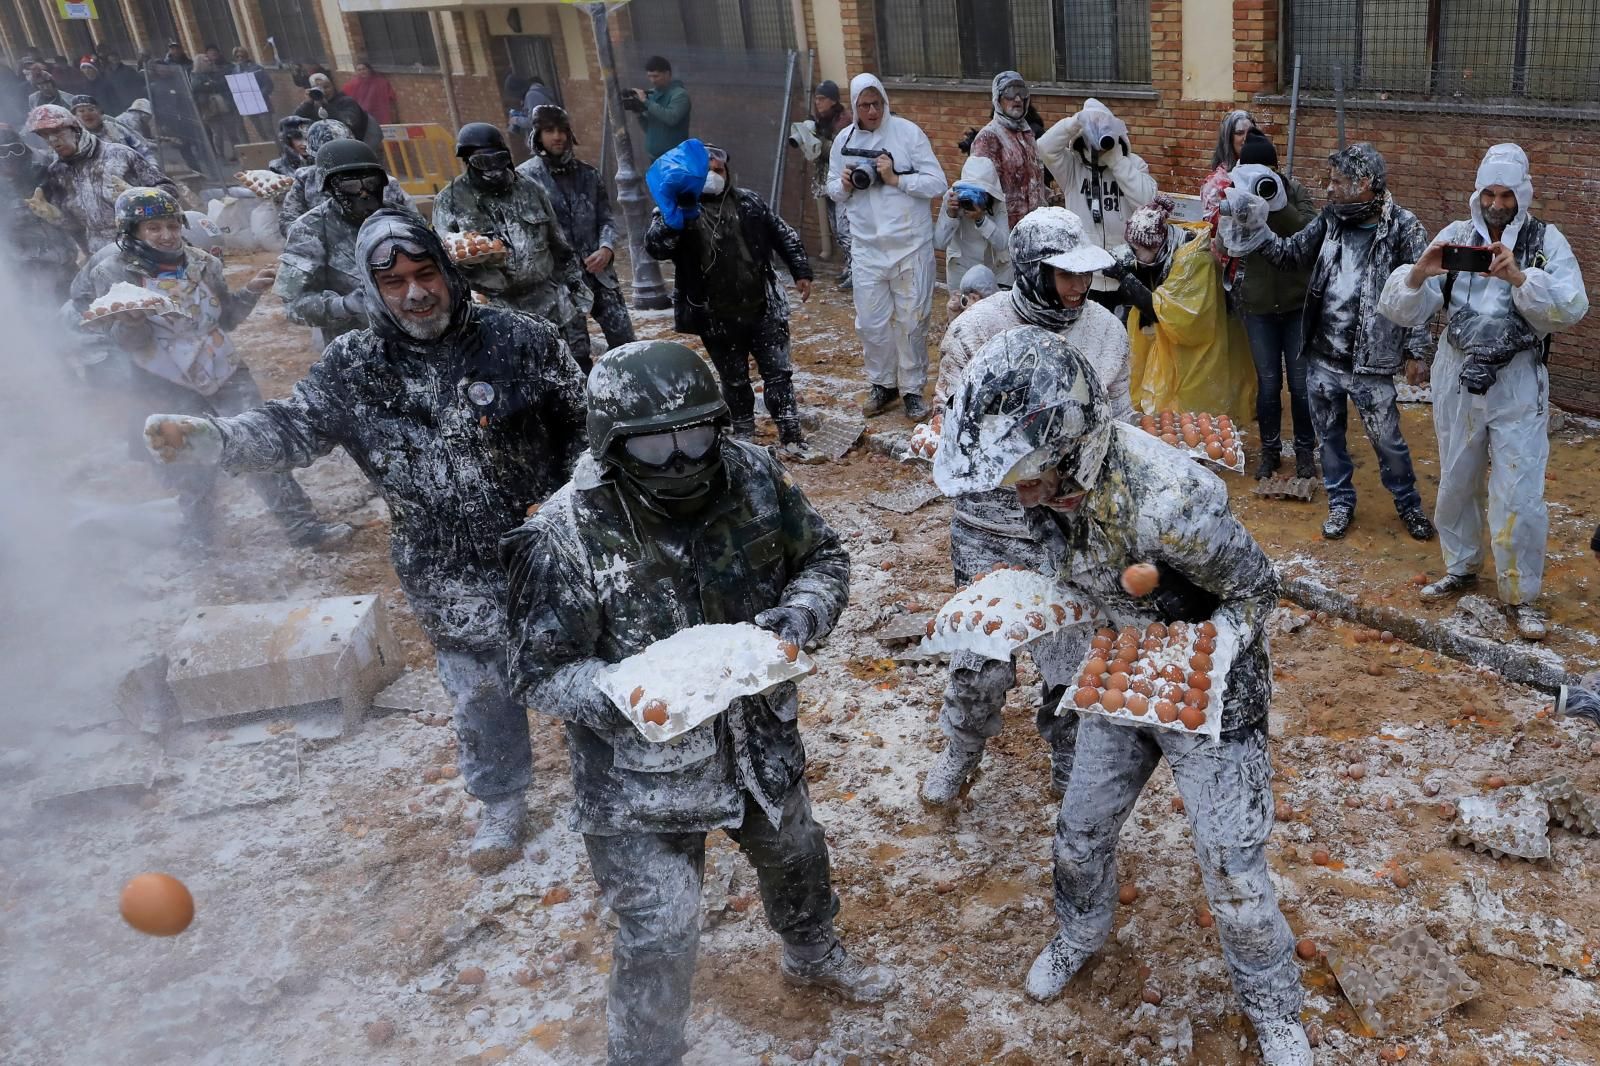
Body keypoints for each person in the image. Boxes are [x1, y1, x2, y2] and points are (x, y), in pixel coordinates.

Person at [147, 210, 585, 872]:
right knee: (479, 689)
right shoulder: (355, 366)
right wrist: (214, 438)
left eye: (425, 273)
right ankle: (502, 800)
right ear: (372, 289)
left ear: (447, 268)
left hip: (547, 553)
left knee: (580, 673)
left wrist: (572, 507)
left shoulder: (522, 340)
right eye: (395, 282)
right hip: (443, 569)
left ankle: (602, 787)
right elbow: (293, 428)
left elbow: (587, 429)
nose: (415, 293)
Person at [502, 340, 898, 1066]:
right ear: (613, 444)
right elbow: (535, 670)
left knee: (797, 853)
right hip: (637, 781)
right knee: (662, 926)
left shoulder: (752, 475)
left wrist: (802, 615)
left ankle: (812, 951)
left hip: (756, 744)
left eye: (695, 434)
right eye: (655, 444)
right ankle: (646, 1053)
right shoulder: (567, 530)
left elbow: (822, 557)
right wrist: (628, 692)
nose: (682, 459)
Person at [932, 328, 1312, 1066]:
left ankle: (1274, 1006)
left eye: (1025, 473)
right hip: (1119, 667)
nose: (1016, 490)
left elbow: (1257, 589)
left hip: (1213, 691)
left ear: (1066, 444)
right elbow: (1068, 567)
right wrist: (1042, 606)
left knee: (1232, 868)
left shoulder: (1170, 501)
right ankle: (1078, 933)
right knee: (1078, 835)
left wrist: (1203, 651)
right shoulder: (1044, 490)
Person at [922, 208, 1132, 806]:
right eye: (1063, 275)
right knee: (982, 659)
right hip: (991, 525)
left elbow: (1120, 415)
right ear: (1031, 270)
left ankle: (1069, 764)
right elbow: (950, 423)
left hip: (1069, 525)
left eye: (1084, 275)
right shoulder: (977, 330)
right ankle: (960, 751)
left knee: (1072, 656)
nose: (1077, 287)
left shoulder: (1106, 333)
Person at [1379, 143, 1588, 640]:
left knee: (1518, 492)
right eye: (1489, 193)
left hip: (1517, 379)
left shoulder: (1545, 241)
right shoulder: (1455, 235)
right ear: (1478, 193)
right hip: (1457, 375)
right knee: (1456, 476)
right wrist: (1419, 272)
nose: (1497, 205)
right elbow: (1405, 309)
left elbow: (1572, 306)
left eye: (1507, 195)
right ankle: (1462, 566)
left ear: (1522, 194)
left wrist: (1519, 277)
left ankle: (1522, 595)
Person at [69, 186, 349, 551]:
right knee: (186, 459)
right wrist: (134, 319)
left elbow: (225, 317)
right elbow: (125, 341)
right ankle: (199, 538)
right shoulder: (113, 272)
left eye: (172, 225)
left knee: (258, 444)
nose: (167, 235)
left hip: (223, 369)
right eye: (154, 228)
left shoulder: (203, 262)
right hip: (162, 378)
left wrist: (250, 291)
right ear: (132, 232)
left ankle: (303, 528)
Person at [1220, 142, 1436, 542]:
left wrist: (1418, 351)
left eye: (1337, 181)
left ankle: (1408, 506)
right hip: (1324, 355)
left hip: (1373, 363)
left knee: (1387, 441)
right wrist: (1256, 227)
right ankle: (1340, 503)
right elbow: (1290, 255)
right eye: (1329, 181)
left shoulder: (1403, 227)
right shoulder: (1330, 220)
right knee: (1330, 440)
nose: (1329, 189)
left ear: (1365, 182)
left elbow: (1420, 292)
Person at [644, 143, 819, 463]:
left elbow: (783, 234)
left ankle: (792, 436)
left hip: (763, 306)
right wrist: (673, 220)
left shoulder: (749, 202)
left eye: (719, 170)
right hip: (716, 315)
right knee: (735, 380)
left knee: (779, 376)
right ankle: (744, 437)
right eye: (706, 171)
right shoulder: (677, 210)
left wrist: (801, 270)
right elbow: (656, 247)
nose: (713, 176)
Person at [827, 73, 946, 420]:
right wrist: (846, 184)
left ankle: (911, 389)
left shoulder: (908, 134)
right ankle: (883, 385)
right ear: (854, 107)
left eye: (877, 103)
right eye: (865, 105)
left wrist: (897, 178)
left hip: (911, 245)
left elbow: (937, 182)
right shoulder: (843, 141)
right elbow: (832, 187)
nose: (873, 110)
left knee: (911, 322)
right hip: (867, 247)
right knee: (872, 323)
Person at [432, 122, 592, 367]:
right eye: (483, 162)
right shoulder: (449, 200)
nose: (494, 170)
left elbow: (559, 246)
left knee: (570, 371)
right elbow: (445, 262)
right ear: (467, 161)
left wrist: (574, 288)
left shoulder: (530, 190)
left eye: (499, 160)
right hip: (495, 313)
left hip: (548, 305)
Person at [1215, 129, 1319, 480]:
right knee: (1269, 383)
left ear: (1277, 169)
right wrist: (1244, 211)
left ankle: (1305, 452)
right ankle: (1270, 452)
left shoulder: (1294, 192)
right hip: (1258, 306)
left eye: (1267, 171)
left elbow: (1309, 230)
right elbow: (1225, 247)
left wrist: (1277, 205)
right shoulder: (1237, 196)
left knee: (1302, 386)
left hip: (1296, 304)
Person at [1106, 195, 1256, 421]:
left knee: (1195, 415)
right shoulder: (1164, 251)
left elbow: (1173, 316)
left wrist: (1124, 278)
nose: (1133, 256)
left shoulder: (1194, 261)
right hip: (1174, 348)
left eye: (1137, 251)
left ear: (1157, 246)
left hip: (1200, 350)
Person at [518, 104, 636, 351]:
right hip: (558, 281)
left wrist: (606, 248)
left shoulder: (588, 175)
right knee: (576, 352)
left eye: (562, 129)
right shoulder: (524, 181)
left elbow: (606, 218)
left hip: (599, 274)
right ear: (537, 135)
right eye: (549, 130)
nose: (557, 136)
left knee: (625, 345)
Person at [276, 139, 409, 347]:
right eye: (351, 185)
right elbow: (292, 305)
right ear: (331, 188)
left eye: (371, 182)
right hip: (357, 348)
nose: (364, 192)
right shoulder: (309, 230)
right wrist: (344, 305)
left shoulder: (403, 218)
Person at [1037, 98, 1157, 309]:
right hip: (1084, 277)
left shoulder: (1133, 164)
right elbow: (1044, 147)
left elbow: (1147, 202)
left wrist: (1116, 161)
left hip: (1125, 275)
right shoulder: (1072, 167)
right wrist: (1077, 122)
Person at [28, 104, 174, 253]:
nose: (52, 139)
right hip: (102, 253)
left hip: (144, 244)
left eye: (57, 131)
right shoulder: (57, 172)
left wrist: (140, 197)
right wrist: (56, 216)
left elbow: (169, 191)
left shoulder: (119, 154)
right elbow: (77, 224)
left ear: (75, 128)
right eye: (44, 135)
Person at [278, 119, 410, 236]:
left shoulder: (383, 182)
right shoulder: (305, 180)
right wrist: (319, 235)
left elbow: (409, 222)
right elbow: (288, 222)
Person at [0, 124, 77, 305]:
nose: (10, 158)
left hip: (65, 258)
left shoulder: (45, 170)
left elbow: (74, 213)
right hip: (27, 267)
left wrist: (57, 214)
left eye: (15, 150)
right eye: (2, 152)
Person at [970, 71, 1049, 229]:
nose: (1018, 99)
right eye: (1010, 93)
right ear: (997, 99)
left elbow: (1031, 181)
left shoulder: (1027, 133)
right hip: (1007, 232)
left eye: (1022, 93)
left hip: (1036, 227)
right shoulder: (988, 137)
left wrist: (1048, 196)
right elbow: (982, 192)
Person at [934, 154, 1012, 291]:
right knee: (960, 308)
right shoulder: (952, 197)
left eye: (979, 193)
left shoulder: (997, 203)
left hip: (992, 266)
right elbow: (939, 243)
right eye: (969, 191)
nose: (972, 198)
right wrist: (951, 215)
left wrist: (981, 219)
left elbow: (1002, 244)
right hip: (960, 265)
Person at [809, 80, 853, 285]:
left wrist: (816, 143)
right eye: (816, 98)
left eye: (822, 98)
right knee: (836, 228)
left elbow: (840, 151)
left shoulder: (844, 121)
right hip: (825, 182)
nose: (818, 103)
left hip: (842, 182)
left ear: (833, 100)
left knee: (846, 230)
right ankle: (849, 266)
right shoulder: (820, 120)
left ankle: (856, 271)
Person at [625, 56, 691, 162]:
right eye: (649, 76)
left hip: (674, 158)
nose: (652, 80)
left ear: (667, 74)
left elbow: (671, 118)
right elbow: (650, 129)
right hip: (655, 158)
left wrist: (646, 101)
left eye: (656, 76)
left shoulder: (679, 94)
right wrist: (639, 114)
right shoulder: (653, 94)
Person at [293, 73, 380, 151]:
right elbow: (295, 124)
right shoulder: (311, 107)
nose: (324, 91)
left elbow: (348, 122)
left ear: (333, 87)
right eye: (318, 88)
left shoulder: (346, 102)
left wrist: (326, 106)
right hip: (328, 151)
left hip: (356, 147)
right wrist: (307, 103)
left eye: (326, 87)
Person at [69, 95, 154, 162]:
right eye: (81, 111)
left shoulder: (117, 128)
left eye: (91, 109)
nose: (87, 114)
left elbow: (142, 149)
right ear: (75, 116)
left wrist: (153, 167)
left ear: (100, 113)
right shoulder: (76, 140)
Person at [230, 47, 277, 144]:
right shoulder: (235, 71)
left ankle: (280, 153)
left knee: (269, 130)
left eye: (242, 56)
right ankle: (271, 150)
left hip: (262, 103)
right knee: (260, 131)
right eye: (237, 56)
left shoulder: (257, 68)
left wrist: (259, 95)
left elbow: (269, 85)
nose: (240, 58)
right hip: (249, 106)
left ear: (246, 55)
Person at [342, 61, 397, 127]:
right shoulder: (352, 84)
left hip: (379, 115)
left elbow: (390, 97)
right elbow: (345, 97)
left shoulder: (380, 82)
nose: (362, 71)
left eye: (364, 69)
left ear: (369, 69)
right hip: (363, 116)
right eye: (359, 70)